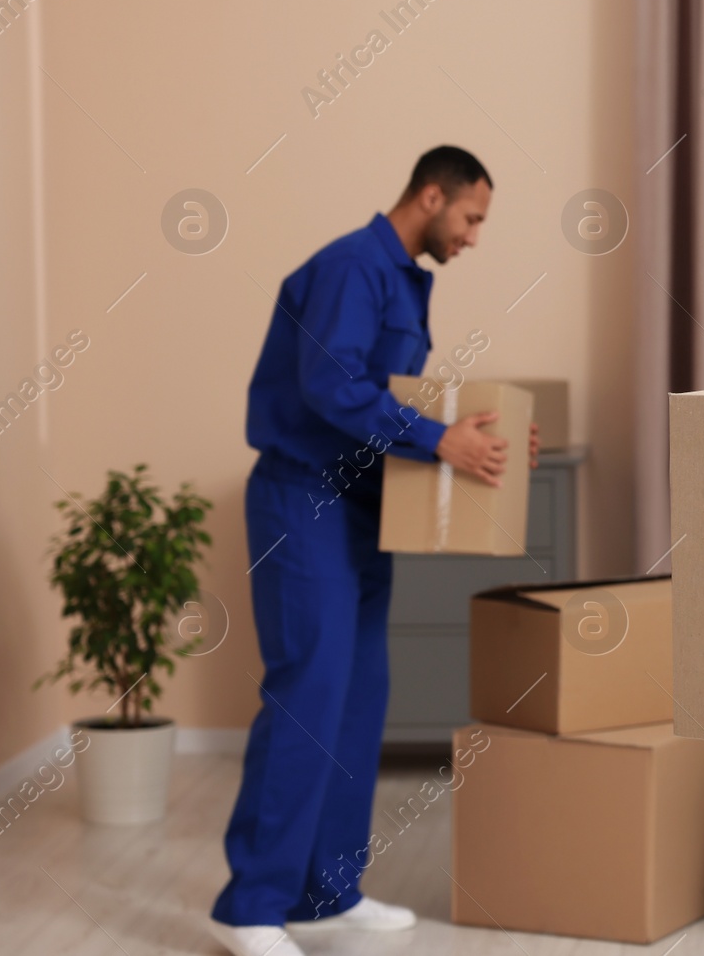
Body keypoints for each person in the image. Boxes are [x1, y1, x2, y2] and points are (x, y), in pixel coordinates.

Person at [208, 146, 538, 956]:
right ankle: (253, 906)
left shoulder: (398, 279)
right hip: (304, 501)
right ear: (431, 195)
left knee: (358, 698)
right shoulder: (351, 268)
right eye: (470, 217)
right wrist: (438, 440)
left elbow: (389, 394)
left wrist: (488, 432)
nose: (472, 237)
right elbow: (330, 387)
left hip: (362, 508)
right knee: (308, 694)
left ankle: (329, 891)